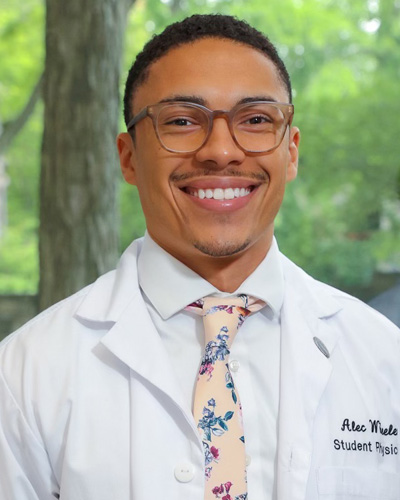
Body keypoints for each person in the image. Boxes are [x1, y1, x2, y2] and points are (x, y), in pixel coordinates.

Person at [1, 14, 399, 500]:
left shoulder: (384, 358)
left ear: (290, 152)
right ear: (128, 157)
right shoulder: (24, 374)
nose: (220, 150)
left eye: (255, 120)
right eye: (183, 121)